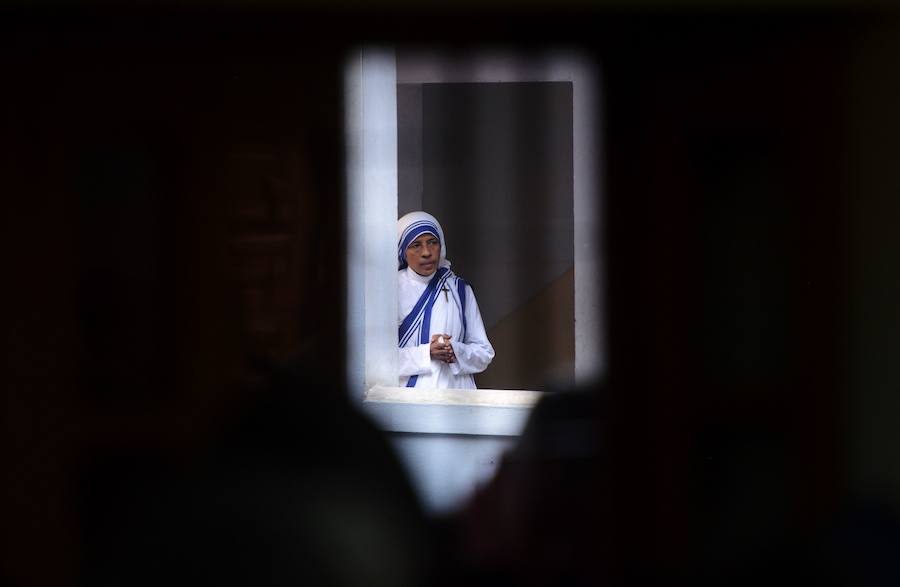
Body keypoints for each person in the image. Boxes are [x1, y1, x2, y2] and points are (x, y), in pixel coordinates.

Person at [397, 211, 494, 389]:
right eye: (416, 245)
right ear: (403, 251)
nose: (426, 252)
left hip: (458, 396)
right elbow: (377, 361)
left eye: (432, 243)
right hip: (410, 400)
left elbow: (484, 353)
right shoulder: (391, 289)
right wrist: (427, 353)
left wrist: (455, 350)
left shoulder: (460, 289)